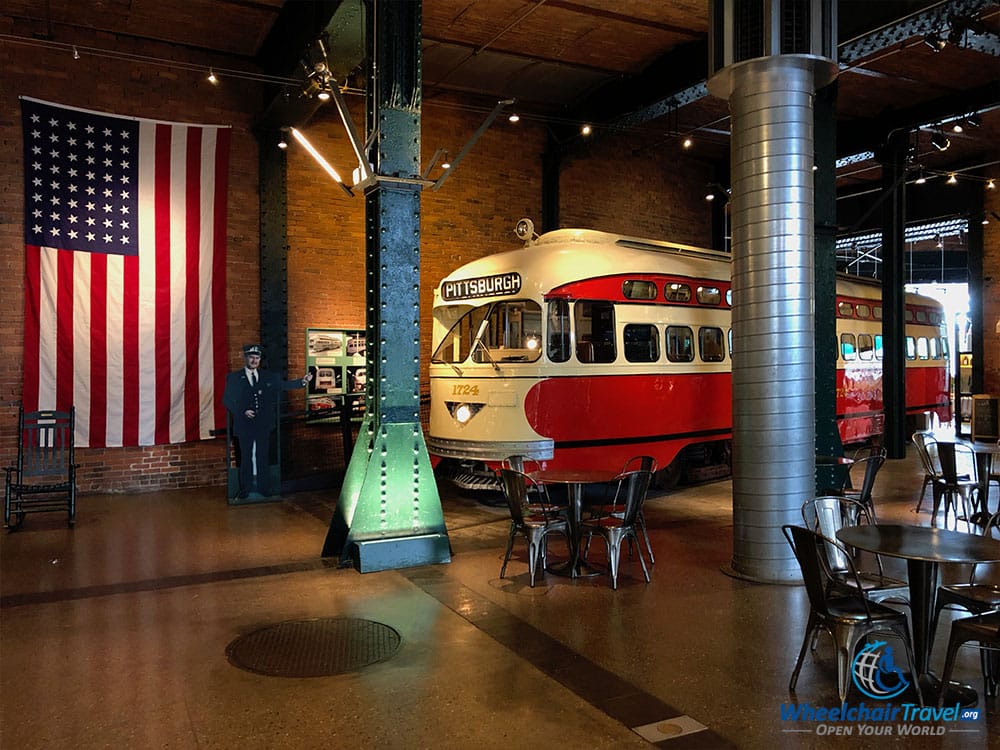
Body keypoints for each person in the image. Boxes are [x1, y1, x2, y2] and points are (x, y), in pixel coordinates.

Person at [223, 344, 312, 499]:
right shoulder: (234, 377)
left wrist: (302, 382)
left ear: (260, 360)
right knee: (245, 457)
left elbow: (283, 385)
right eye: (251, 357)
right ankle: (245, 489)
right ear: (246, 358)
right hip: (244, 425)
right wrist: (242, 411)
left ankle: (263, 488)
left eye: (257, 358)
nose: (254, 360)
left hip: (263, 424)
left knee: (262, 455)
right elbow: (227, 400)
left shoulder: (268, 376)